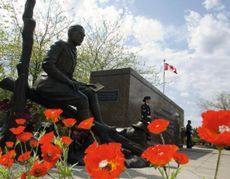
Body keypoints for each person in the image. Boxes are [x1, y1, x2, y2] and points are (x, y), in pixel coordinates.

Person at [34, 24, 103, 123]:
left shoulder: (73, 52)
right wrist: (68, 82)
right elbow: (47, 65)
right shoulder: (60, 45)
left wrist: (85, 85)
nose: (82, 37)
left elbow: (68, 77)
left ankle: (102, 125)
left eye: (83, 36)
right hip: (47, 83)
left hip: (60, 83)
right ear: (70, 33)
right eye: (80, 34)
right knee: (82, 99)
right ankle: (85, 133)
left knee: (91, 93)